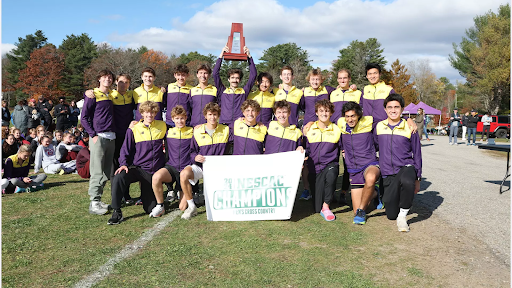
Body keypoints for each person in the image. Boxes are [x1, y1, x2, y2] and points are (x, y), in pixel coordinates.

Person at [108, 101, 167, 225]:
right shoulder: (134, 128)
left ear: (156, 113)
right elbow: (125, 148)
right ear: (142, 113)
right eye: (146, 112)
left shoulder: (163, 125)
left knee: (150, 209)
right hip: (139, 168)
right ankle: (116, 211)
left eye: (152, 112)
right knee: (119, 177)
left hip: (154, 173)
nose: (149, 115)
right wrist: (123, 163)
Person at [374, 93, 422, 232]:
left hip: (405, 167)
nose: (393, 110)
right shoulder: (379, 127)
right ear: (385, 109)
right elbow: (374, 146)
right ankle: (393, 204)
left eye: (396, 107)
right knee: (390, 214)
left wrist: (418, 177)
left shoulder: (410, 128)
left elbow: (417, 153)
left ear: (402, 109)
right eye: (390, 107)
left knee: (407, 181)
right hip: (387, 173)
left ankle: (403, 216)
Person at [180, 102, 230, 220]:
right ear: (205, 116)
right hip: (201, 167)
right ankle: (191, 207)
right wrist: (195, 157)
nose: (212, 117)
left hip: (218, 169)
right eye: (210, 114)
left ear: (218, 115)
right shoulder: (197, 131)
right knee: (184, 174)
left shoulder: (226, 130)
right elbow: (192, 151)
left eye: (215, 114)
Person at [337, 101, 380, 225]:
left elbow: (388, 118)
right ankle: (375, 193)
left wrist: (407, 120)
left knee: (371, 178)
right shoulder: (340, 124)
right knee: (355, 210)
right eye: (347, 116)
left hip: (369, 163)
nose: (350, 119)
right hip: (353, 168)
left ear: (359, 115)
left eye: (353, 116)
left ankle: (362, 211)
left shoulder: (369, 122)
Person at [81, 69, 116, 215]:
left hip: (111, 137)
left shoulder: (111, 95)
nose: (107, 79)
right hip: (99, 137)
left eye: (109, 78)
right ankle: (94, 202)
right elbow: (84, 117)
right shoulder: (93, 94)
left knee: (107, 172)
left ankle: (98, 199)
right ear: (99, 79)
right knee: (96, 171)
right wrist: (93, 135)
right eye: (104, 77)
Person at [149, 105, 194, 218]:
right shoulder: (168, 131)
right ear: (173, 119)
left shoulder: (192, 131)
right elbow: (152, 125)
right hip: (171, 167)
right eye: (177, 118)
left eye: (182, 118)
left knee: (182, 207)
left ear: (186, 118)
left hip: (185, 169)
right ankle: (160, 205)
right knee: (156, 177)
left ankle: (185, 189)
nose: (180, 121)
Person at [303, 99, 342, 221]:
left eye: (327, 111)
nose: (324, 113)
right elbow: (304, 146)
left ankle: (326, 206)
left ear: (331, 113)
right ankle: (322, 202)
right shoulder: (309, 129)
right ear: (316, 113)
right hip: (314, 167)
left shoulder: (336, 129)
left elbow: (342, 146)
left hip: (330, 163)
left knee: (331, 176)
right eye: (321, 111)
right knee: (316, 207)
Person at [213, 45, 257, 127]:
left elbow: (253, 75)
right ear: (228, 79)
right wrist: (221, 56)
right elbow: (215, 74)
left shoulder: (244, 91)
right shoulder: (223, 91)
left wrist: (249, 57)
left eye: (237, 78)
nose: (234, 80)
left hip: (239, 124)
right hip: (224, 124)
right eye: (232, 78)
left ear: (240, 80)